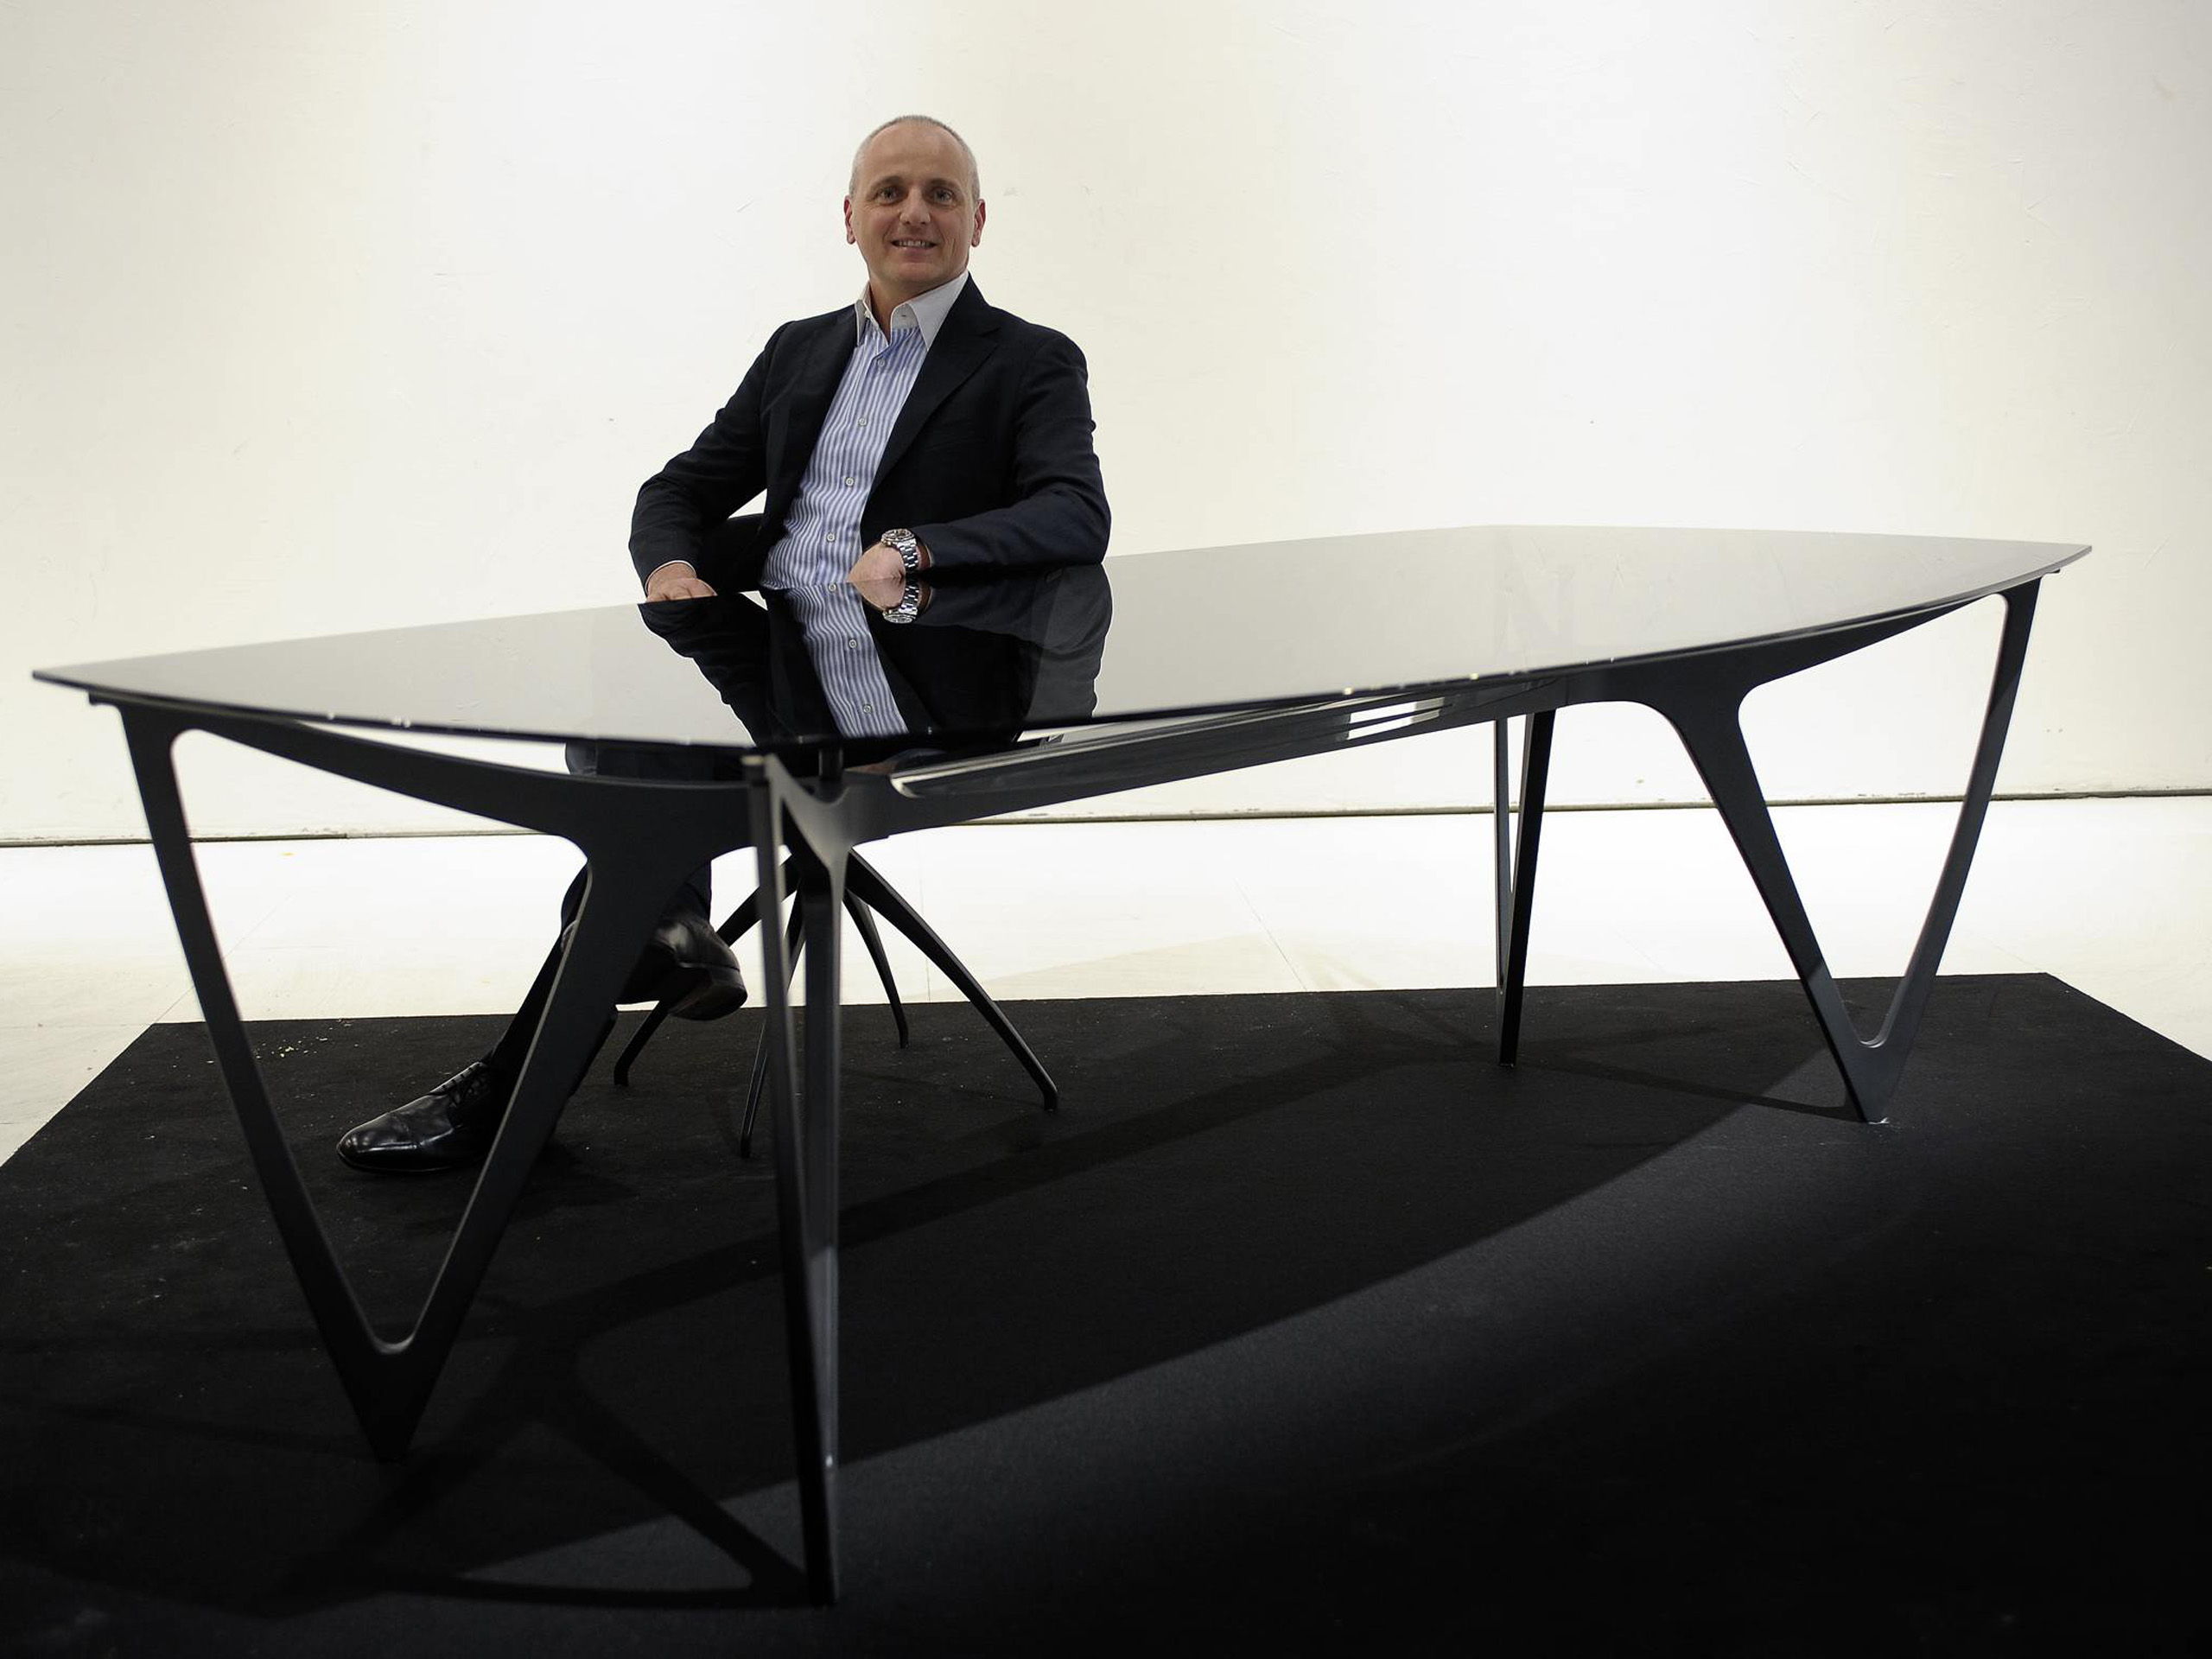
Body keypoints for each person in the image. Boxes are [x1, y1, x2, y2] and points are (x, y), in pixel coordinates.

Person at [335, 114, 1110, 1173]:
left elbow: (1074, 513)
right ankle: (661, 939)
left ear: (977, 221)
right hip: (781, 665)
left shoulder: (1027, 359)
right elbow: (683, 487)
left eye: (940, 193)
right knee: (610, 738)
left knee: (636, 824)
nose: (913, 212)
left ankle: (538, 1066)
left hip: (926, 691)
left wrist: (916, 548)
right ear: (850, 217)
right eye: (889, 191)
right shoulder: (800, 350)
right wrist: (669, 566)